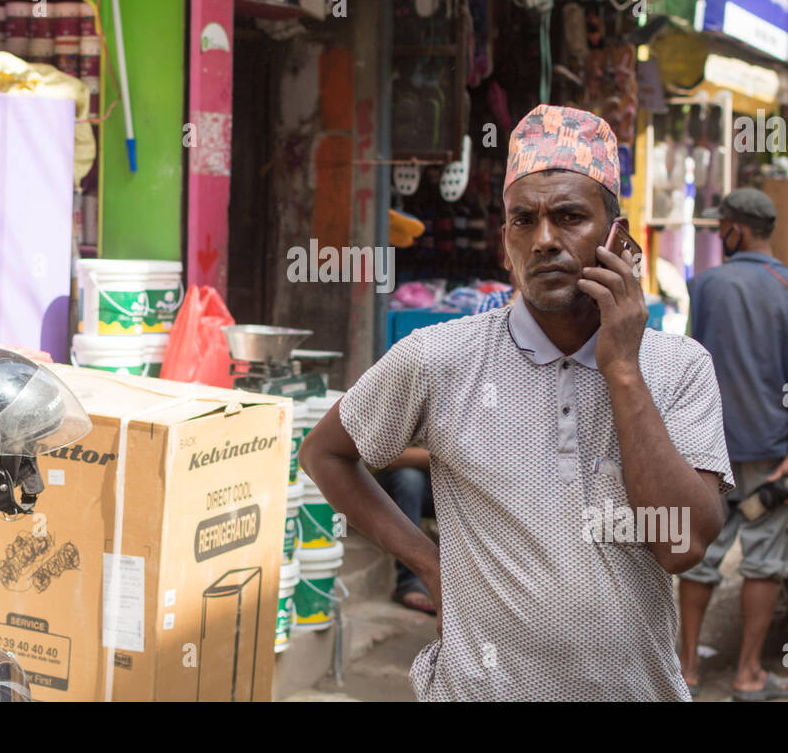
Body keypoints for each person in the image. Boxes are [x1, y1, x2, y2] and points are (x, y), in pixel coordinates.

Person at [300, 105, 732, 701]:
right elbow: (324, 453)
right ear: (505, 243)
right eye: (523, 221)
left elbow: (682, 546)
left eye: (570, 217)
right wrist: (429, 563)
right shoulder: (439, 357)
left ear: (618, 237)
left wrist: (623, 371)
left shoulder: (678, 367)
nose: (545, 240)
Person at [678, 188, 788, 701]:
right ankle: (747, 675)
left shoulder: (702, 285)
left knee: (701, 554)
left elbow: (691, 363)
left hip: (707, 447)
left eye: (722, 226)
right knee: (763, 559)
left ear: (735, 229)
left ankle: (687, 672)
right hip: (770, 448)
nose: (720, 235)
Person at [374, 447, 436, 614]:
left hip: (436, 485)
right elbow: (388, 457)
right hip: (388, 485)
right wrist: (455, 455)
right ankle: (409, 581)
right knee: (409, 478)